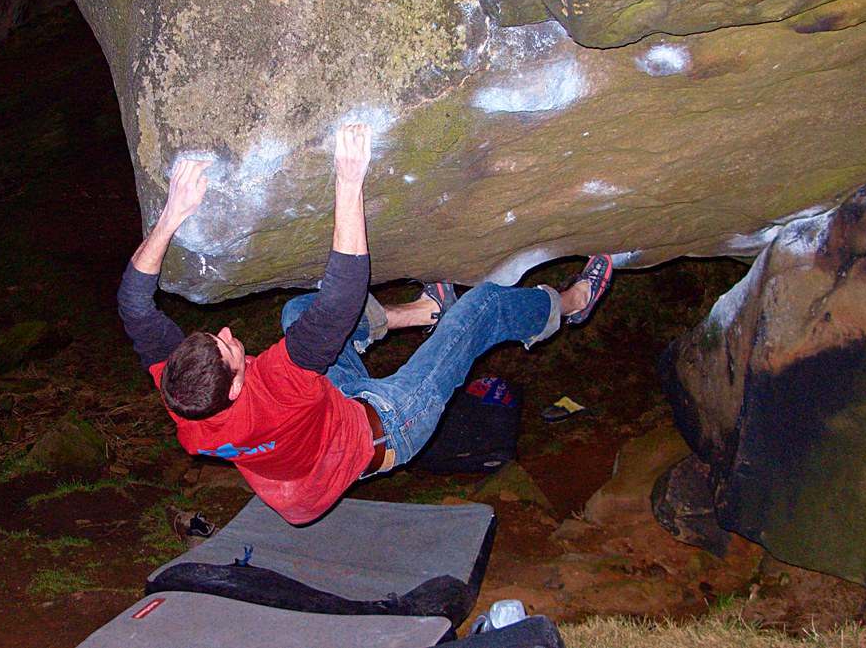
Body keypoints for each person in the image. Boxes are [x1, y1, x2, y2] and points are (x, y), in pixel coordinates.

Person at [118, 124, 613, 524]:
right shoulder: (277, 383)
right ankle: (570, 303)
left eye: (216, 337)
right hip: (390, 427)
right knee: (480, 309)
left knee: (296, 316)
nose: (229, 335)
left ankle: (423, 312)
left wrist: (172, 214)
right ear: (232, 390)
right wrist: (349, 180)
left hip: (312, 462)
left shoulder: (187, 406)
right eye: (230, 350)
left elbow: (134, 306)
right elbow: (342, 295)